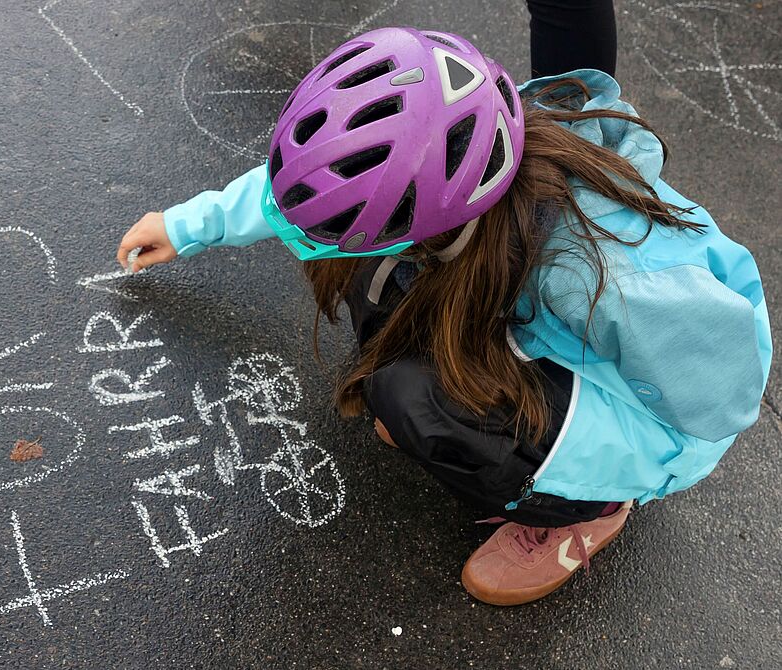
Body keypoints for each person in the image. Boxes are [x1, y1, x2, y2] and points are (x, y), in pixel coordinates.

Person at [115, 2, 770, 606]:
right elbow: (318, 191)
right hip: (551, 321)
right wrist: (184, 226)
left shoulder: (599, 278)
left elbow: (721, 393)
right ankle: (490, 402)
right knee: (383, 296)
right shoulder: (457, 156)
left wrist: (625, 464)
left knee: (422, 400)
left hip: (662, 418)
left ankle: (592, 510)